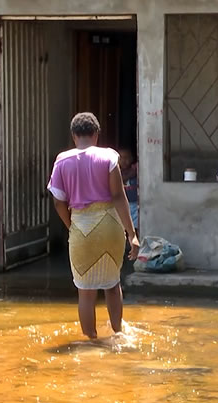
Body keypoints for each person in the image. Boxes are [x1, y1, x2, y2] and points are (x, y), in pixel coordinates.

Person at [47, 113, 140, 339]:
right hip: (110, 227)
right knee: (112, 285)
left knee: (86, 294)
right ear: (96, 134)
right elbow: (118, 197)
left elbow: (59, 201)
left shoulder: (62, 161)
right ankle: (118, 335)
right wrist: (132, 234)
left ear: (73, 136)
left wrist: (72, 225)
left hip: (82, 228)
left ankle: (91, 342)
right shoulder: (109, 157)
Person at [118, 148, 139, 236]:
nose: (124, 160)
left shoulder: (136, 169)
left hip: (134, 204)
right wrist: (132, 172)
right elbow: (122, 178)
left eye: (127, 158)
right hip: (122, 205)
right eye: (121, 158)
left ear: (131, 158)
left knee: (135, 227)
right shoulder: (116, 171)